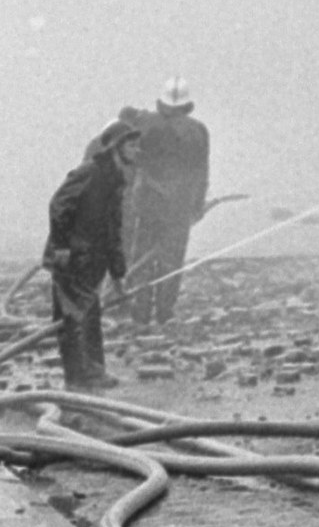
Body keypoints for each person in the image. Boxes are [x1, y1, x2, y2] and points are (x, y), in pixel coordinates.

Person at [43, 116, 138, 390]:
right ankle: (76, 380)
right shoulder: (90, 172)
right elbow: (58, 205)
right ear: (115, 147)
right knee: (73, 319)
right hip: (72, 260)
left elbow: (113, 230)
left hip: (92, 261)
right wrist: (62, 246)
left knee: (90, 315)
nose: (136, 150)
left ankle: (94, 373)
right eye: (131, 145)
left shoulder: (115, 179)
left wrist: (118, 273)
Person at [123, 77, 211, 329]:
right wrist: (197, 206)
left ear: (161, 102)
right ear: (187, 105)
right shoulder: (199, 131)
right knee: (172, 262)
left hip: (148, 205)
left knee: (141, 259)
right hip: (179, 209)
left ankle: (140, 314)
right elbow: (202, 173)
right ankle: (165, 313)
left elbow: (127, 126)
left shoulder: (146, 123)